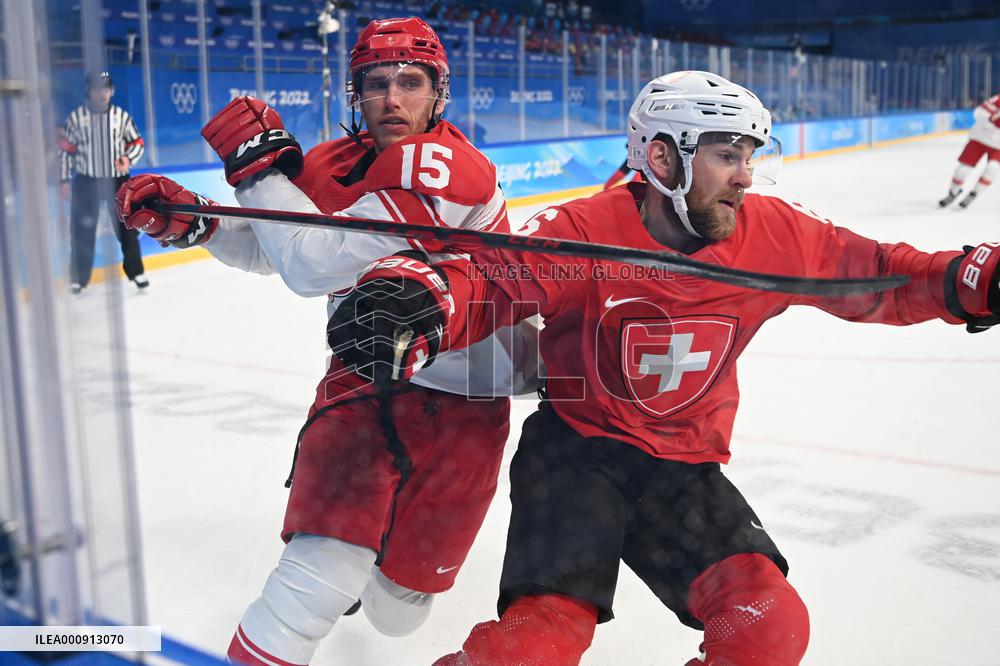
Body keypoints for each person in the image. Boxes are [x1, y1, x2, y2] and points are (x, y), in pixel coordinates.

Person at [329, 71, 1000, 665]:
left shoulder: (774, 232)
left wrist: (967, 279)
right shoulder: (586, 230)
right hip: (576, 457)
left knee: (770, 626)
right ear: (660, 157)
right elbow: (494, 279)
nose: (745, 175)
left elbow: (880, 274)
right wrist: (421, 299)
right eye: (726, 155)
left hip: (682, 469)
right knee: (537, 645)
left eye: (748, 157)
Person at [116, 17, 539, 666]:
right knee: (320, 569)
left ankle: (378, 558)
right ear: (354, 92)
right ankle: (337, 563)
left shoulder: (451, 167)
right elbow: (275, 251)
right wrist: (202, 224)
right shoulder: (334, 163)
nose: (392, 98)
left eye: (410, 81)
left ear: (439, 92)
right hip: (362, 373)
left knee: (397, 613)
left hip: (465, 399)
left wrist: (257, 174)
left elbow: (312, 264)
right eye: (376, 83)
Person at [59, 71, 147, 294]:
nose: (103, 94)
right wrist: (64, 179)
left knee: (127, 226)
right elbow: (65, 152)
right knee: (81, 231)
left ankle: (136, 271)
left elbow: (137, 142)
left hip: (117, 181)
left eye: (106, 90)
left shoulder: (121, 116)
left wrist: (128, 159)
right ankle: (78, 279)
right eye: (98, 90)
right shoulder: (77, 118)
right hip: (86, 181)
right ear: (89, 91)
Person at [939, 91, 1000, 209]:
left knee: (993, 168)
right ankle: (953, 192)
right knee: (962, 170)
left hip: (998, 146)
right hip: (980, 138)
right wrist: (990, 121)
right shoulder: (998, 99)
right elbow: (979, 113)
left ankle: (974, 193)